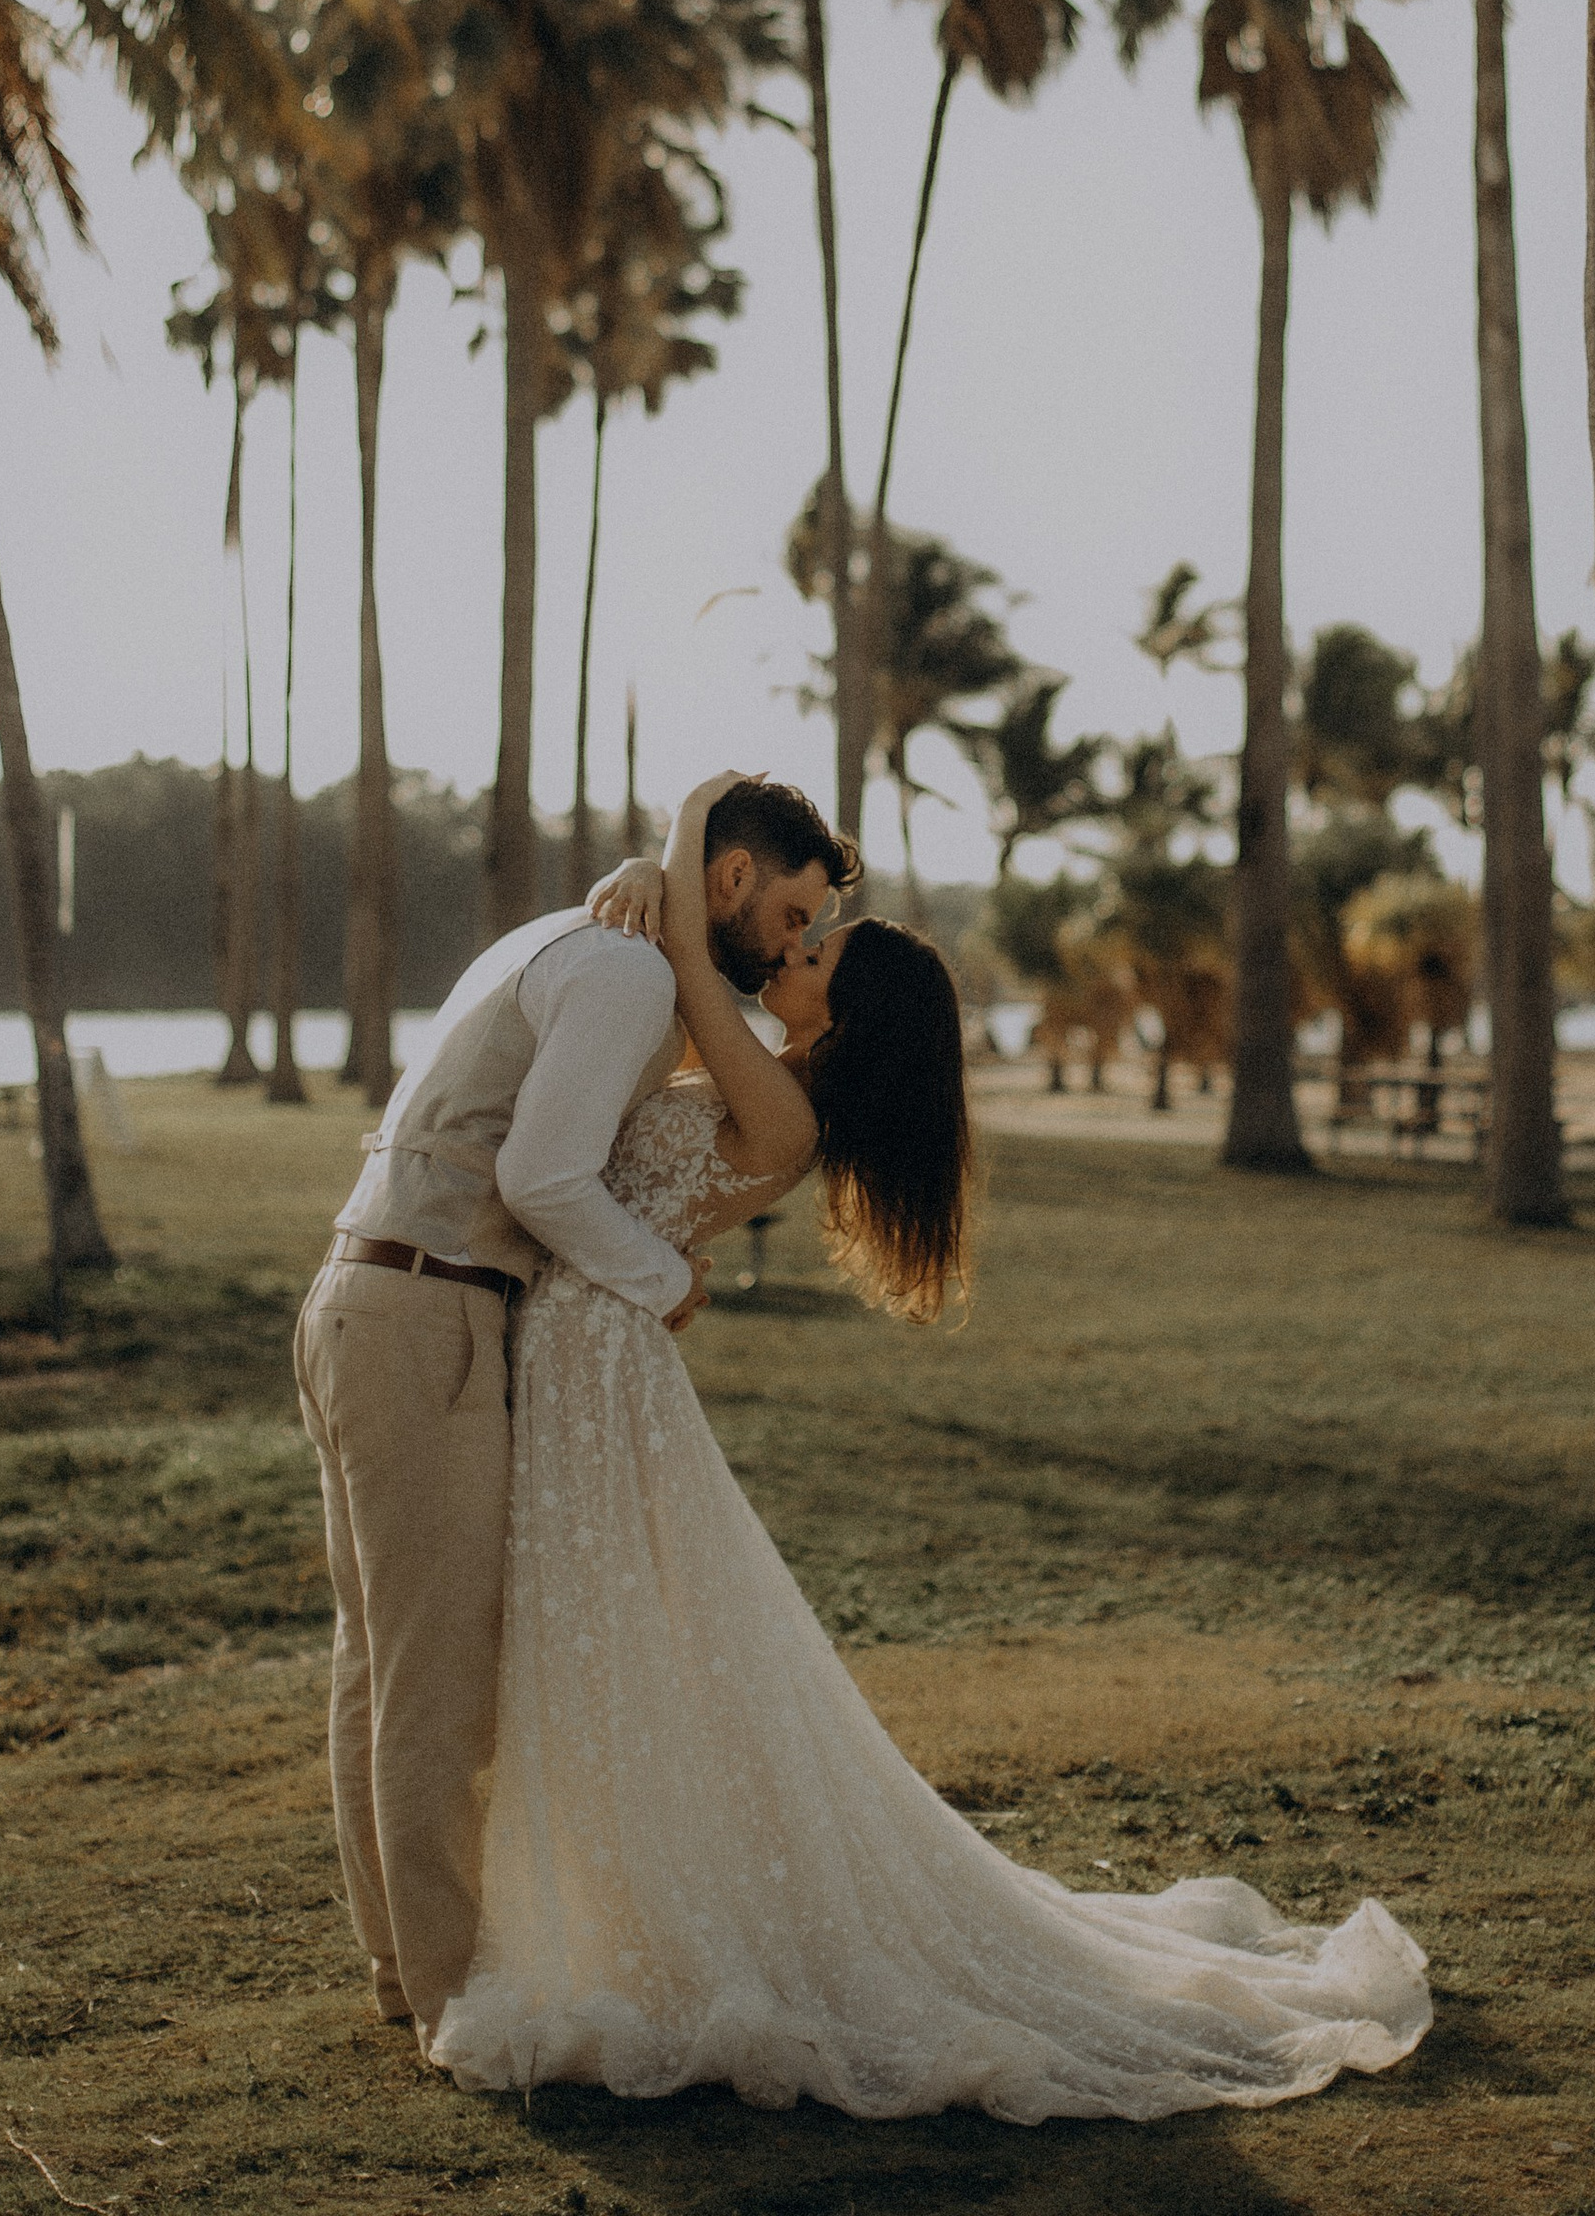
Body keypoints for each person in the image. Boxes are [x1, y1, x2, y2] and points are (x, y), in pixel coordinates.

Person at [430, 771, 1433, 2123]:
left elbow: (689, 967)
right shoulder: (765, 1074)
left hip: (599, 1356)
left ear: (843, 1018)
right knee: (615, 1632)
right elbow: (657, 1011)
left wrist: (682, 835)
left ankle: (637, 1919)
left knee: (615, 1630)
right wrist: (639, 882)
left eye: (811, 952)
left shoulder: (783, 1112)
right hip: (585, 1341)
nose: (788, 952)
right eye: (799, 931)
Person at [292, 772, 858, 2053]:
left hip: (363, 1297)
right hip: (428, 1310)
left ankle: (404, 1971)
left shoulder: (584, 940)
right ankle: (451, 1994)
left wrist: (654, 879)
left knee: (379, 1662)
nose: (789, 943)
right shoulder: (628, 973)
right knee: (436, 1684)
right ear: (731, 877)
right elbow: (541, 1175)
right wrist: (664, 1280)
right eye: (790, 914)